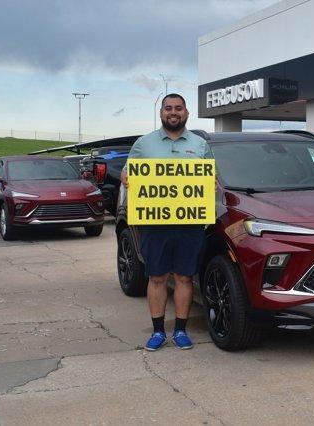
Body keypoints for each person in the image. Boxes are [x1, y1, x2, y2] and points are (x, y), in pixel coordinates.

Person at [121, 93, 211, 351]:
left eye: (178, 108)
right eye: (168, 108)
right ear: (161, 113)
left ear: (187, 113)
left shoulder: (201, 144)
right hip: (154, 223)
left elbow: (211, 176)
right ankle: (158, 332)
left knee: (184, 277)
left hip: (190, 223)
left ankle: (181, 331)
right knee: (157, 276)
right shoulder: (143, 144)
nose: (174, 112)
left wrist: (213, 181)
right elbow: (129, 173)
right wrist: (127, 177)